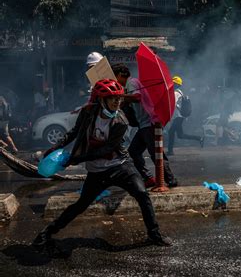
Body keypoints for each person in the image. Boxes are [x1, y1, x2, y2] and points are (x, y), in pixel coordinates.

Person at [32, 79, 172, 251]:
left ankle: (154, 234)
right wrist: (56, 146)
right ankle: (47, 232)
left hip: (120, 166)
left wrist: (78, 159)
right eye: (112, 98)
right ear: (101, 99)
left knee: (142, 194)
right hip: (97, 171)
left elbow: (107, 149)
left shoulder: (121, 121)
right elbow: (74, 132)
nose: (117, 102)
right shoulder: (88, 112)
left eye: (119, 98)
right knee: (80, 205)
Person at [113, 63, 178, 188]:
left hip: (149, 123)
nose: (116, 81)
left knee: (155, 153)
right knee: (134, 151)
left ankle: (170, 179)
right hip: (143, 125)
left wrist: (121, 96)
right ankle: (148, 178)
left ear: (121, 75)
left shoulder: (131, 83)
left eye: (116, 77)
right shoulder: (128, 86)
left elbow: (137, 97)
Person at [167, 76, 203, 155]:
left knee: (171, 132)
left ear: (176, 84)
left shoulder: (175, 93)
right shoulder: (180, 91)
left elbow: (173, 104)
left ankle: (170, 151)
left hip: (178, 116)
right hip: (180, 116)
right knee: (180, 135)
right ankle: (199, 138)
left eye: (173, 83)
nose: (172, 84)